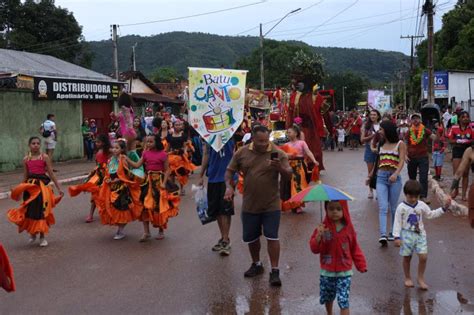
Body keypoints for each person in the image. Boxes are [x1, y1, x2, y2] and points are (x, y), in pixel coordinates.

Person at [224, 125, 292, 286]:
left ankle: (274, 271)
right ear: (252, 138)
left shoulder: (278, 153)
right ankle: (257, 264)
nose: (263, 144)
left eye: (265, 140)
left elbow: (289, 175)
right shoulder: (242, 152)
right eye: (259, 141)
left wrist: (280, 168)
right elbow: (229, 172)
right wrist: (229, 186)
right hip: (250, 204)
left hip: (271, 204)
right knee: (252, 238)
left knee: (272, 236)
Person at [309, 200, 367, 315]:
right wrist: (318, 237)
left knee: (343, 300)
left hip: (344, 271)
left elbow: (355, 248)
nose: (334, 212)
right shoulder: (322, 228)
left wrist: (361, 264)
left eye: (338, 209)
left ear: (344, 210)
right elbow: (314, 249)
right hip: (327, 271)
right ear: (326, 210)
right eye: (331, 209)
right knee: (328, 297)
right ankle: (329, 313)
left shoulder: (348, 229)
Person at [393, 180, 451, 290]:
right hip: (406, 235)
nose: (413, 199)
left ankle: (420, 278)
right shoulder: (401, 207)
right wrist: (396, 237)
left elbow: (430, 214)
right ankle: (407, 277)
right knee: (407, 258)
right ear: (406, 194)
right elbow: (397, 222)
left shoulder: (422, 205)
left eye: (416, 196)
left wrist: (443, 209)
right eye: (411, 196)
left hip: (420, 235)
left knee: (423, 257)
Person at [7, 137, 63, 247]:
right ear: (29, 145)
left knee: (41, 211)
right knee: (30, 211)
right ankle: (32, 234)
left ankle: (42, 237)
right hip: (30, 188)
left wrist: (58, 188)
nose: (36, 145)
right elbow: (25, 176)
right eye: (33, 143)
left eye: (38, 143)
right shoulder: (26, 159)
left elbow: (51, 173)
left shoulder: (44, 157)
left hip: (42, 188)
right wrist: (20, 190)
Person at [127, 135, 179, 241]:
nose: (148, 144)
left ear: (157, 142)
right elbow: (137, 165)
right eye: (147, 142)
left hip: (158, 182)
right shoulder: (145, 153)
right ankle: (146, 232)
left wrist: (164, 183)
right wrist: (126, 158)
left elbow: (167, 170)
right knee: (143, 205)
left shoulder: (163, 154)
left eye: (151, 141)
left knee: (158, 206)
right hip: (147, 182)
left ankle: (161, 230)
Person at [368, 120, 406, 246]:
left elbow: (401, 161)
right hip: (381, 177)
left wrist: (395, 174)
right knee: (383, 207)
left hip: (394, 178)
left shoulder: (400, 144)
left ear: (387, 130)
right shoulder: (381, 143)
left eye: (381, 129)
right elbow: (378, 161)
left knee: (394, 207)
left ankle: (394, 233)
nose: (379, 131)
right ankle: (383, 234)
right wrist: (371, 174)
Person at [97, 139, 141, 240]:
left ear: (122, 149)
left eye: (117, 148)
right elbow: (108, 172)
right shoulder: (110, 159)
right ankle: (119, 228)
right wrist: (107, 179)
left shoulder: (123, 159)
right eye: (113, 148)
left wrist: (119, 179)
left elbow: (127, 173)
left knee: (121, 209)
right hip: (111, 186)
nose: (114, 150)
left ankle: (120, 230)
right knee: (110, 207)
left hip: (121, 188)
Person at [199, 139, 235, 256]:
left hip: (227, 178)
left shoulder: (230, 132)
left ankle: (225, 240)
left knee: (226, 209)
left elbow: (235, 154)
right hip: (213, 177)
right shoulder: (207, 137)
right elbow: (206, 154)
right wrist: (201, 175)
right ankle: (223, 238)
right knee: (217, 210)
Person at [69, 134, 111, 223]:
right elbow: (97, 165)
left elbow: (111, 162)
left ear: (103, 143)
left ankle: (107, 213)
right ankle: (91, 215)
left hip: (106, 175)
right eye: (96, 141)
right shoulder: (99, 151)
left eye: (98, 142)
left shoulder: (108, 151)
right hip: (98, 175)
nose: (96, 143)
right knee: (94, 195)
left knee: (106, 195)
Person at [281, 125, 318, 213]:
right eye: (288, 132)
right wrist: (287, 156)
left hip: (299, 166)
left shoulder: (302, 143)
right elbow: (283, 156)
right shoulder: (286, 145)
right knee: (287, 185)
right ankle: (289, 204)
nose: (288, 134)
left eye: (290, 132)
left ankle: (298, 205)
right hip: (288, 166)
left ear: (296, 133)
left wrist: (314, 160)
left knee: (298, 185)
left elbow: (308, 152)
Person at [405, 113, 433, 204]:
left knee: (423, 177)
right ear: (411, 121)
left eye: (417, 118)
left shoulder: (425, 130)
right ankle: (412, 195)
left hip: (423, 157)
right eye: (414, 119)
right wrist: (405, 155)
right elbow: (405, 144)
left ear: (420, 120)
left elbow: (434, 137)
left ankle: (423, 196)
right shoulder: (409, 131)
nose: (415, 120)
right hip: (411, 157)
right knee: (412, 178)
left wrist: (440, 131)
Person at [448, 111, 473, 201]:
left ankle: (464, 194)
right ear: (459, 118)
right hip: (457, 150)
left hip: (468, 150)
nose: (465, 118)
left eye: (467, 116)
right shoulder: (454, 127)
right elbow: (450, 140)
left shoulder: (472, 128)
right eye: (463, 117)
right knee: (456, 172)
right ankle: (456, 190)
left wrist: (467, 141)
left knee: (466, 173)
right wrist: (457, 141)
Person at [167, 120, 196, 195]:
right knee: (172, 174)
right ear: (173, 126)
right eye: (176, 125)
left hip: (180, 156)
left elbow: (185, 146)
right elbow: (168, 146)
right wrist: (165, 153)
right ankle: (173, 189)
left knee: (181, 173)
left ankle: (182, 189)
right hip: (171, 157)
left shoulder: (184, 135)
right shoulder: (170, 136)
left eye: (179, 125)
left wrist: (185, 152)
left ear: (181, 126)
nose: (178, 126)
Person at [450, 141, 474, 228]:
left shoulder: (470, 150)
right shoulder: (470, 151)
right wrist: (450, 191)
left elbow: (459, 173)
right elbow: (459, 172)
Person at [361, 109, 381, 199]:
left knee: (379, 171)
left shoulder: (381, 125)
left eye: (374, 115)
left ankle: (378, 191)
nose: (372, 116)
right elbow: (362, 140)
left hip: (380, 150)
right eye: (371, 115)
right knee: (370, 172)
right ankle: (370, 191)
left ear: (378, 116)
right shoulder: (366, 126)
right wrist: (372, 136)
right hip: (369, 149)